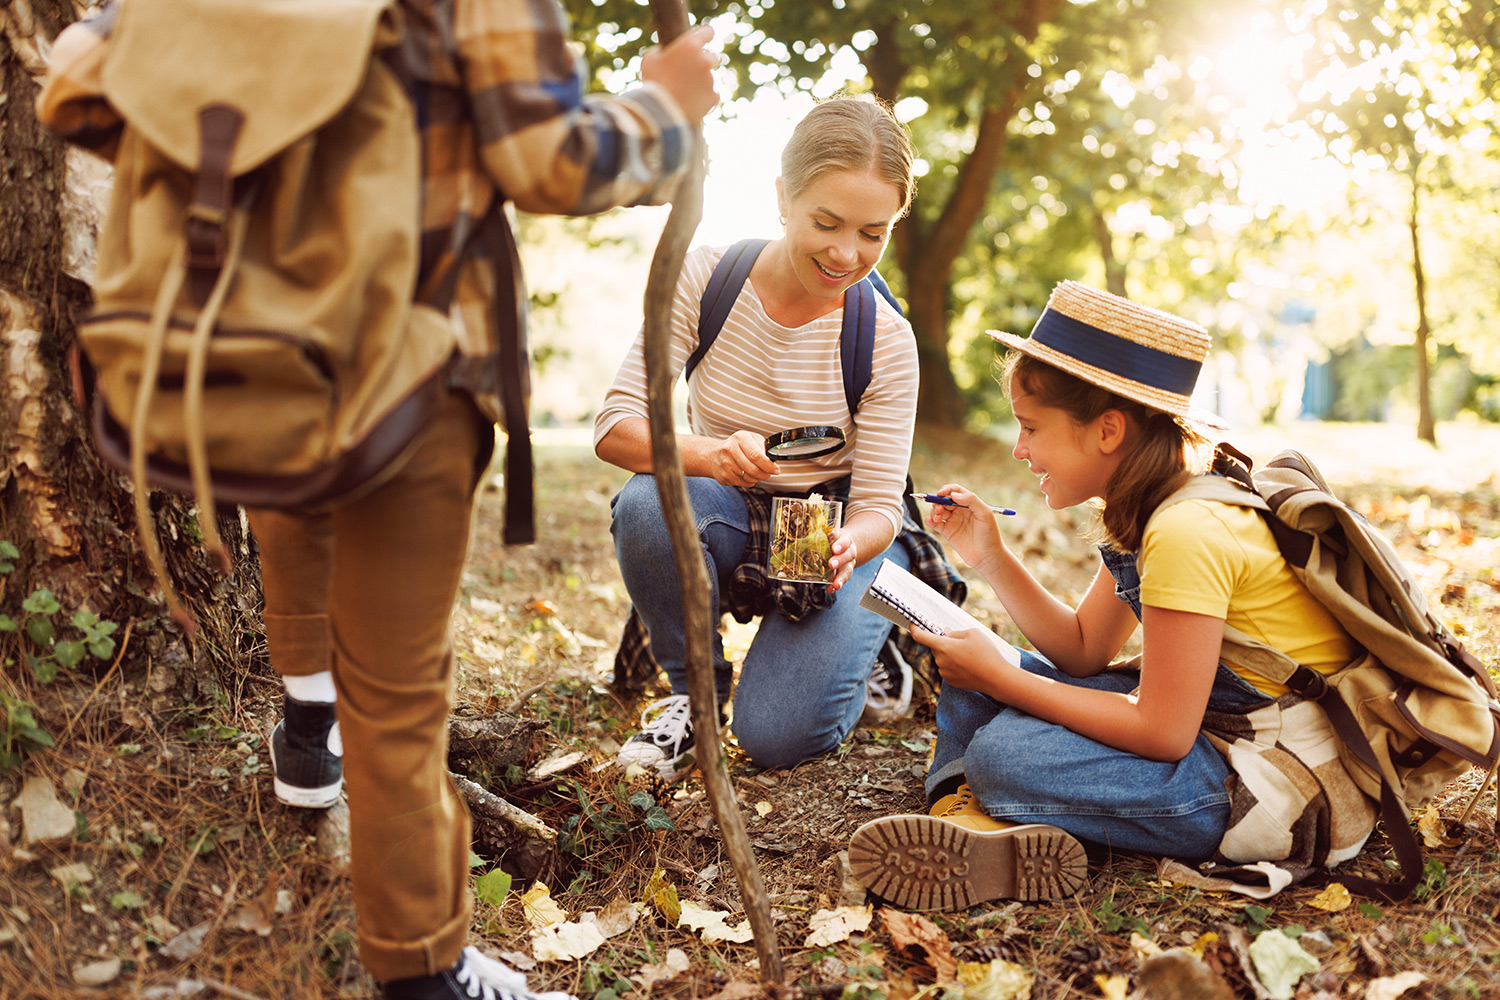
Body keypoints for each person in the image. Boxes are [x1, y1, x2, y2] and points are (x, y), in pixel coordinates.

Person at [38, 2, 718, 997]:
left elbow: (74, 83)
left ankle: (307, 723)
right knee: (398, 701)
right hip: (410, 371)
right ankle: (423, 969)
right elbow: (553, 165)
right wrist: (667, 103)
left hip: (248, 351)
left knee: (292, 516)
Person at [847, 281, 1377, 910]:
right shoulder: (1159, 505)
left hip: (1265, 784)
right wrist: (989, 555)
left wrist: (1008, 682)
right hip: (1216, 734)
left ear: (1107, 430)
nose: (1018, 449)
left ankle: (988, 803)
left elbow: (1162, 731)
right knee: (974, 665)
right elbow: (1082, 651)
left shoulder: (1186, 529)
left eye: (1031, 427)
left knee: (1001, 749)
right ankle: (986, 823)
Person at [593, 95, 965, 782]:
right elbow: (616, 429)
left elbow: (881, 505)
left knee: (775, 739)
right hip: (726, 511)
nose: (847, 253)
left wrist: (853, 542)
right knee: (647, 504)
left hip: (831, 540)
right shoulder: (706, 278)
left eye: (873, 233)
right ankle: (692, 698)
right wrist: (708, 455)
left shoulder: (885, 338)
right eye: (826, 222)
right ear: (782, 197)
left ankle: (872, 643)